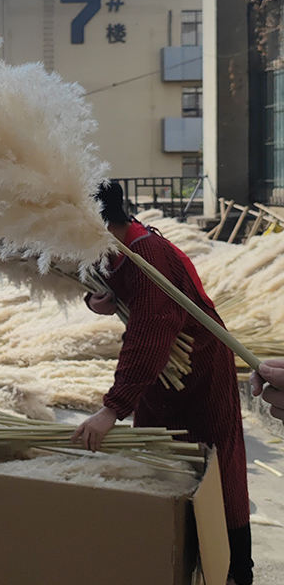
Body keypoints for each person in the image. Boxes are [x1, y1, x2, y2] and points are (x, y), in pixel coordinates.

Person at [73, 180, 253, 585]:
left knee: (215, 466)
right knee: (161, 460)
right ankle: (178, 559)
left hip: (199, 367)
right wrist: (96, 301)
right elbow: (100, 283)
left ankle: (235, 570)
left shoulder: (147, 252)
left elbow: (151, 331)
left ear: (96, 220)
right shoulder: (114, 246)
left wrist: (112, 409)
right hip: (164, 373)